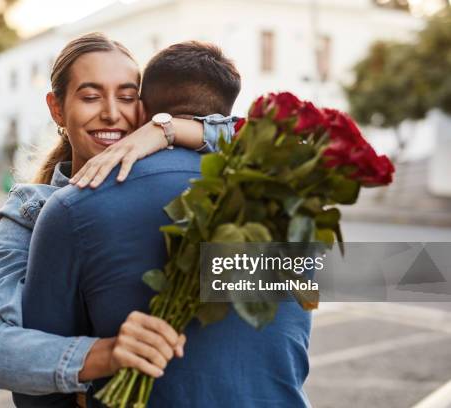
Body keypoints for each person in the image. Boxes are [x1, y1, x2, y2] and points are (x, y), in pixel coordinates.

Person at [19, 43, 312, 407]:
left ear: (141, 110)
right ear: (225, 112)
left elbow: (35, 392)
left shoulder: (70, 209)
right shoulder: (290, 204)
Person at [0, 33, 238, 401]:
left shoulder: (167, 178)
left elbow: (275, 144)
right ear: (57, 109)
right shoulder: (35, 209)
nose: (112, 112)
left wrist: (169, 129)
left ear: (144, 108)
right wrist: (106, 354)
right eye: (91, 96)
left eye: (127, 97)